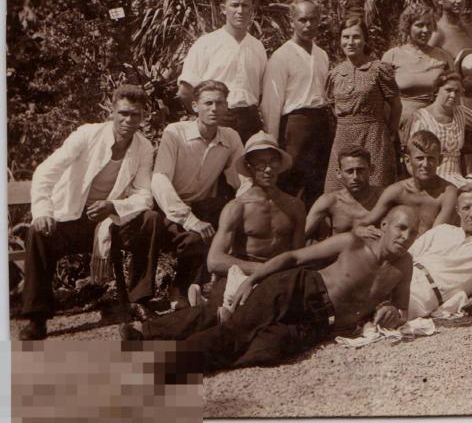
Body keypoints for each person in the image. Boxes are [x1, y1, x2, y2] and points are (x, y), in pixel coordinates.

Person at [126, 206, 418, 377]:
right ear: (384, 225)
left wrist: (391, 311)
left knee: (264, 349)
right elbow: (294, 257)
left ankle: (151, 336)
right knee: (236, 332)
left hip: (318, 323)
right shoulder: (353, 242)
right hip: (299, 288)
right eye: (401, 228)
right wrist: (252, 279)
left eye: (413, 232)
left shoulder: (404, 266)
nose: (405, 237)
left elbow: (402, 309)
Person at [19, 85, 157, 340]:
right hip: (72, 217)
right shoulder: (87, 135)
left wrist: (113, 206)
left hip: (110, 220)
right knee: (38, 234)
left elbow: (144, 195)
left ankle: (140, 301)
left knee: (150, 220)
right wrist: (43, 211)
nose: (128, 120)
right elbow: (45, 171)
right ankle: (37, 318)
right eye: (123, 113)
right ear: (111, 112)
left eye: (135, 115)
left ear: (143, 116)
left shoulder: (144, 147)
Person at [148, 80, 246, 308]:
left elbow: (241, 180)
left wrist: (248, 205)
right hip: (169, 207)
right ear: (195, 106)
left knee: (237, 230)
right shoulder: (175, 132)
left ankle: (220, 292)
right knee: (195, 238)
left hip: (205, 206)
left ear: (226, 106)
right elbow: (160, 179)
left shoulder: (230, 137)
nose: (214, 109)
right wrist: (190, 220)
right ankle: (179, 291)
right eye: (208, 103)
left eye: (220, 103)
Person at [202, 133, 306, 309]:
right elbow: (214, 260)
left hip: (281, 277)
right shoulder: (237, 207)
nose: (268, 169)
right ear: (249, 167)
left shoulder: (295, 206)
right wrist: (263, 269)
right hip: (244, 274)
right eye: (260, 164)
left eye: (273, 162)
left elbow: (298, 255)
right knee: (226, 310)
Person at [260, 0, 331, 209]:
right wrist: (272, 140)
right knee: (291, 180)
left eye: (313, 19)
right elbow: (271, 102)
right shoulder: (281, 57)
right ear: (292, 21)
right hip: (295, 126)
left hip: (320, 123)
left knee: (317, 181)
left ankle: (313, 227)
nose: (308, 25)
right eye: (302, 20)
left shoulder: (321, 55)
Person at [179, 0, 267, 142]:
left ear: (252, 9)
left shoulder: (258, 47)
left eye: (245, 6)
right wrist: (205, 117)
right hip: (218, 119)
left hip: (250, 121)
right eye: (234, 5)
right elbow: (185, 91)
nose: (240, 11)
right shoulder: (206, 44)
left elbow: (261, 93)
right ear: (223, 9)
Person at [407, 184, 472, 319]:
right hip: (405, 275)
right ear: (458, 210)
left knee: (387, 313)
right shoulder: (441, 230)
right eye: (466, 208)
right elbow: (405, 257)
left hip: (426, 294)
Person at [324, 15, 400, 190]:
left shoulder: (379, 69)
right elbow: (333, 107)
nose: (350, 42)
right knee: (337, 188)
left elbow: (396, 105)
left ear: (365, 40)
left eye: (356, 37)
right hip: (343, 136)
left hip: (374, 135)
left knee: (375, 185)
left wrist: (389, 133)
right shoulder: (334, 74)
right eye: (346, 37)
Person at [382, 3, 456, 144]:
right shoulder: (392, 56)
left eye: (429, 25)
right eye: (419, 25)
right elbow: (381, 99)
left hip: (435, 126)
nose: (425, 30)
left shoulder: (443, 57)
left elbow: (454, 91)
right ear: (407, 27)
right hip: (399, 125)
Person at [360, 130, 458, 236]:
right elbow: (362, 224)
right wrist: (369, 231)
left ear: (440, 160)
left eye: (431, 158)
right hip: (398, 243)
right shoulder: (397, 191)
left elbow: (435, 236)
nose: (425, 164)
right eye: (419, 158)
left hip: (432, 244)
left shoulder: (448, 193)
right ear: (407, 160)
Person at [410, 71, 472, 189]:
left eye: (457, 91)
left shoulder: (460, 112)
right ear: (437, 90)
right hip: (430, 178)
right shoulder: (422, 118)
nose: (453, 95)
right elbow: (414, 155)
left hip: (458, 177)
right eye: (448, 90)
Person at [305, 147, 382, 241]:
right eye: (349, 171)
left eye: (360, 170)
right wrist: (354, 233)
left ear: (371, 170)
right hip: (338, 250)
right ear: (339, 173)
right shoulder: (330, 201)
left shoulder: (383, 197)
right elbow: (302, 234)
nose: (355, 177)